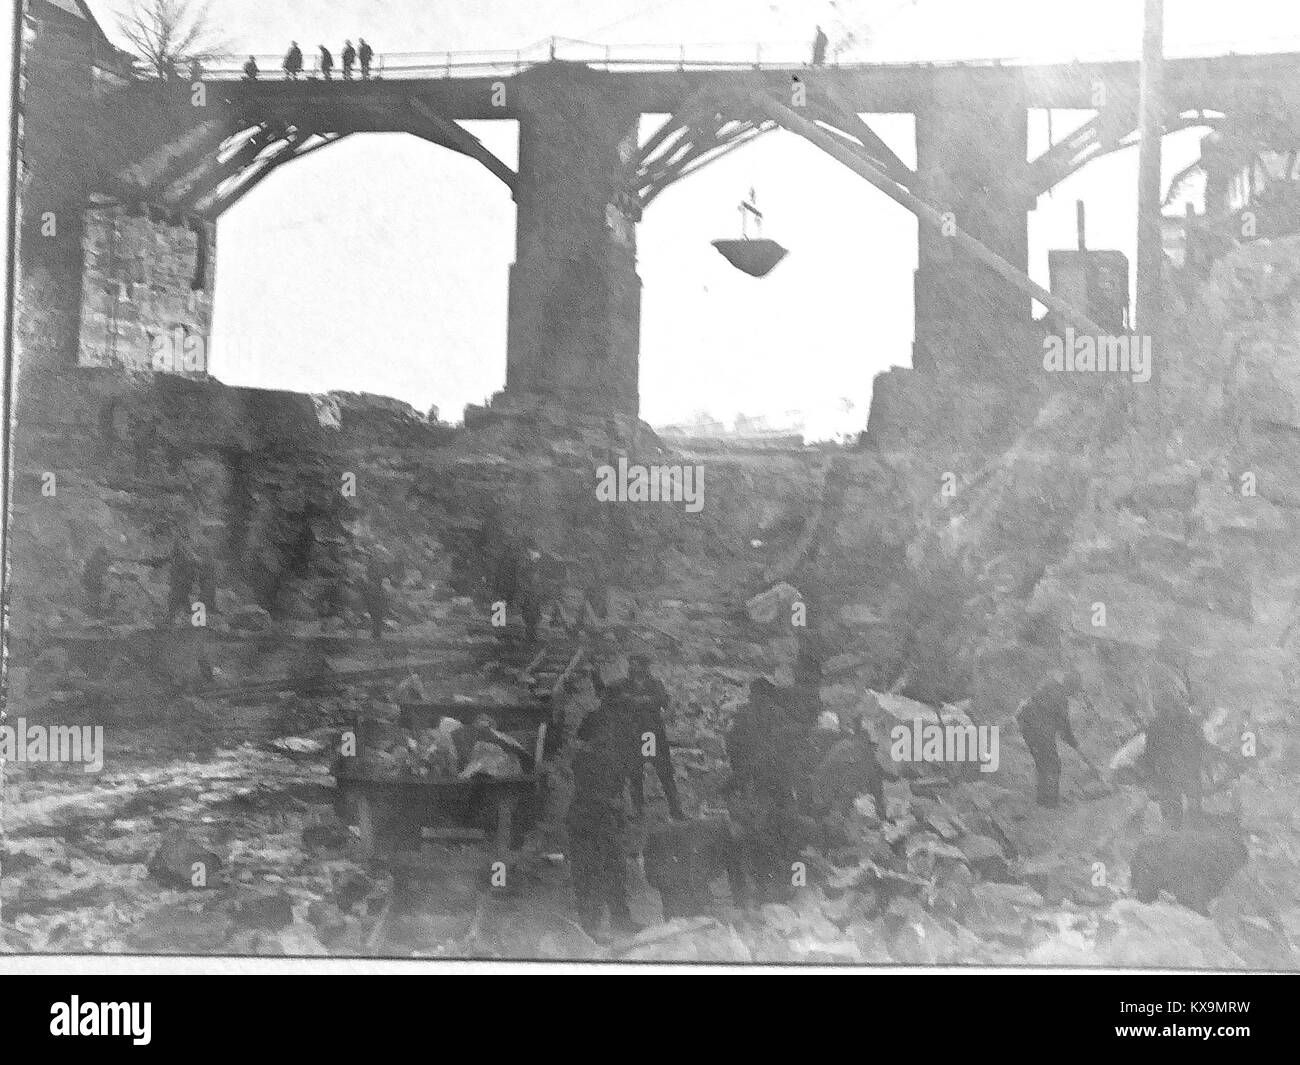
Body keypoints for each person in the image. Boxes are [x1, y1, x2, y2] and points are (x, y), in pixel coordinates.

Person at [724, 679, 813, 903]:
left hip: (753, 785)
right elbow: (793, 751)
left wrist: (740, 773)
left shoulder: (743, 715)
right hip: (776, 785)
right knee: (787, 832)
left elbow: (731, 745)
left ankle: (761, 887)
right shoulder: (779, 715)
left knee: (757, 835)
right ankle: (790, 884)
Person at [567, 707, 637, 936]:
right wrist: (612, 804)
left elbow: (617, 789)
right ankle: (590, 928)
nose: (610, 734)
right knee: (590, 874)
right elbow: (589, 791)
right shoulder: (587, 758)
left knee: (615, 870)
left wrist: (619, 813)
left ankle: (621, 920)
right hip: (587, 821)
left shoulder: (611, 755)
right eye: (606, 730)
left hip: (606, 820)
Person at [611, 654, 686, 821]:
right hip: (632, 733)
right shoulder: (623, 685)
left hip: (651, 734)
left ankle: (676, 811)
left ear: (644, 667)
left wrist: (652, 708)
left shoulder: (655, 685)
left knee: (664, 772)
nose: (632, 667)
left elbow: (666, 703)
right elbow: (613, 701)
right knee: (634, 773)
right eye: (631, 664)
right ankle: (638, 812)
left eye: (636, 664)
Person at [1016, 669, 1083, 808]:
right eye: (1075, 690)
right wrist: (1074, 743)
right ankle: (1051, 802)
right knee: (1052, 764)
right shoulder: (1060, 698)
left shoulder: (1050, 687)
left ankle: (1043, 799)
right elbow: (1064, 726)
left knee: (1043, 763)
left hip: (1027, 726)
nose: (1074, 694)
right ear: (1071, 686)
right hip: (1038, 729)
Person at [1140, 697, 1206, 828]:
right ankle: (1192, 821)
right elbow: (1199, 743)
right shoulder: (1187, 722)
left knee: (1171, 799)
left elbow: (1149, 752)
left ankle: (1175, 824)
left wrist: (1151, 772)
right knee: (1191, 795)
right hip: (1185, 765)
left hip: (1167, 768)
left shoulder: (1154, 725)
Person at [363, 554, 389, 640]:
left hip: (377, 595)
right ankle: (376, 634)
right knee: (376, 617)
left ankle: (377, 634)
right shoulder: (371, 572)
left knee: (377, 617)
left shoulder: (376, 571)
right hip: (374, 595)